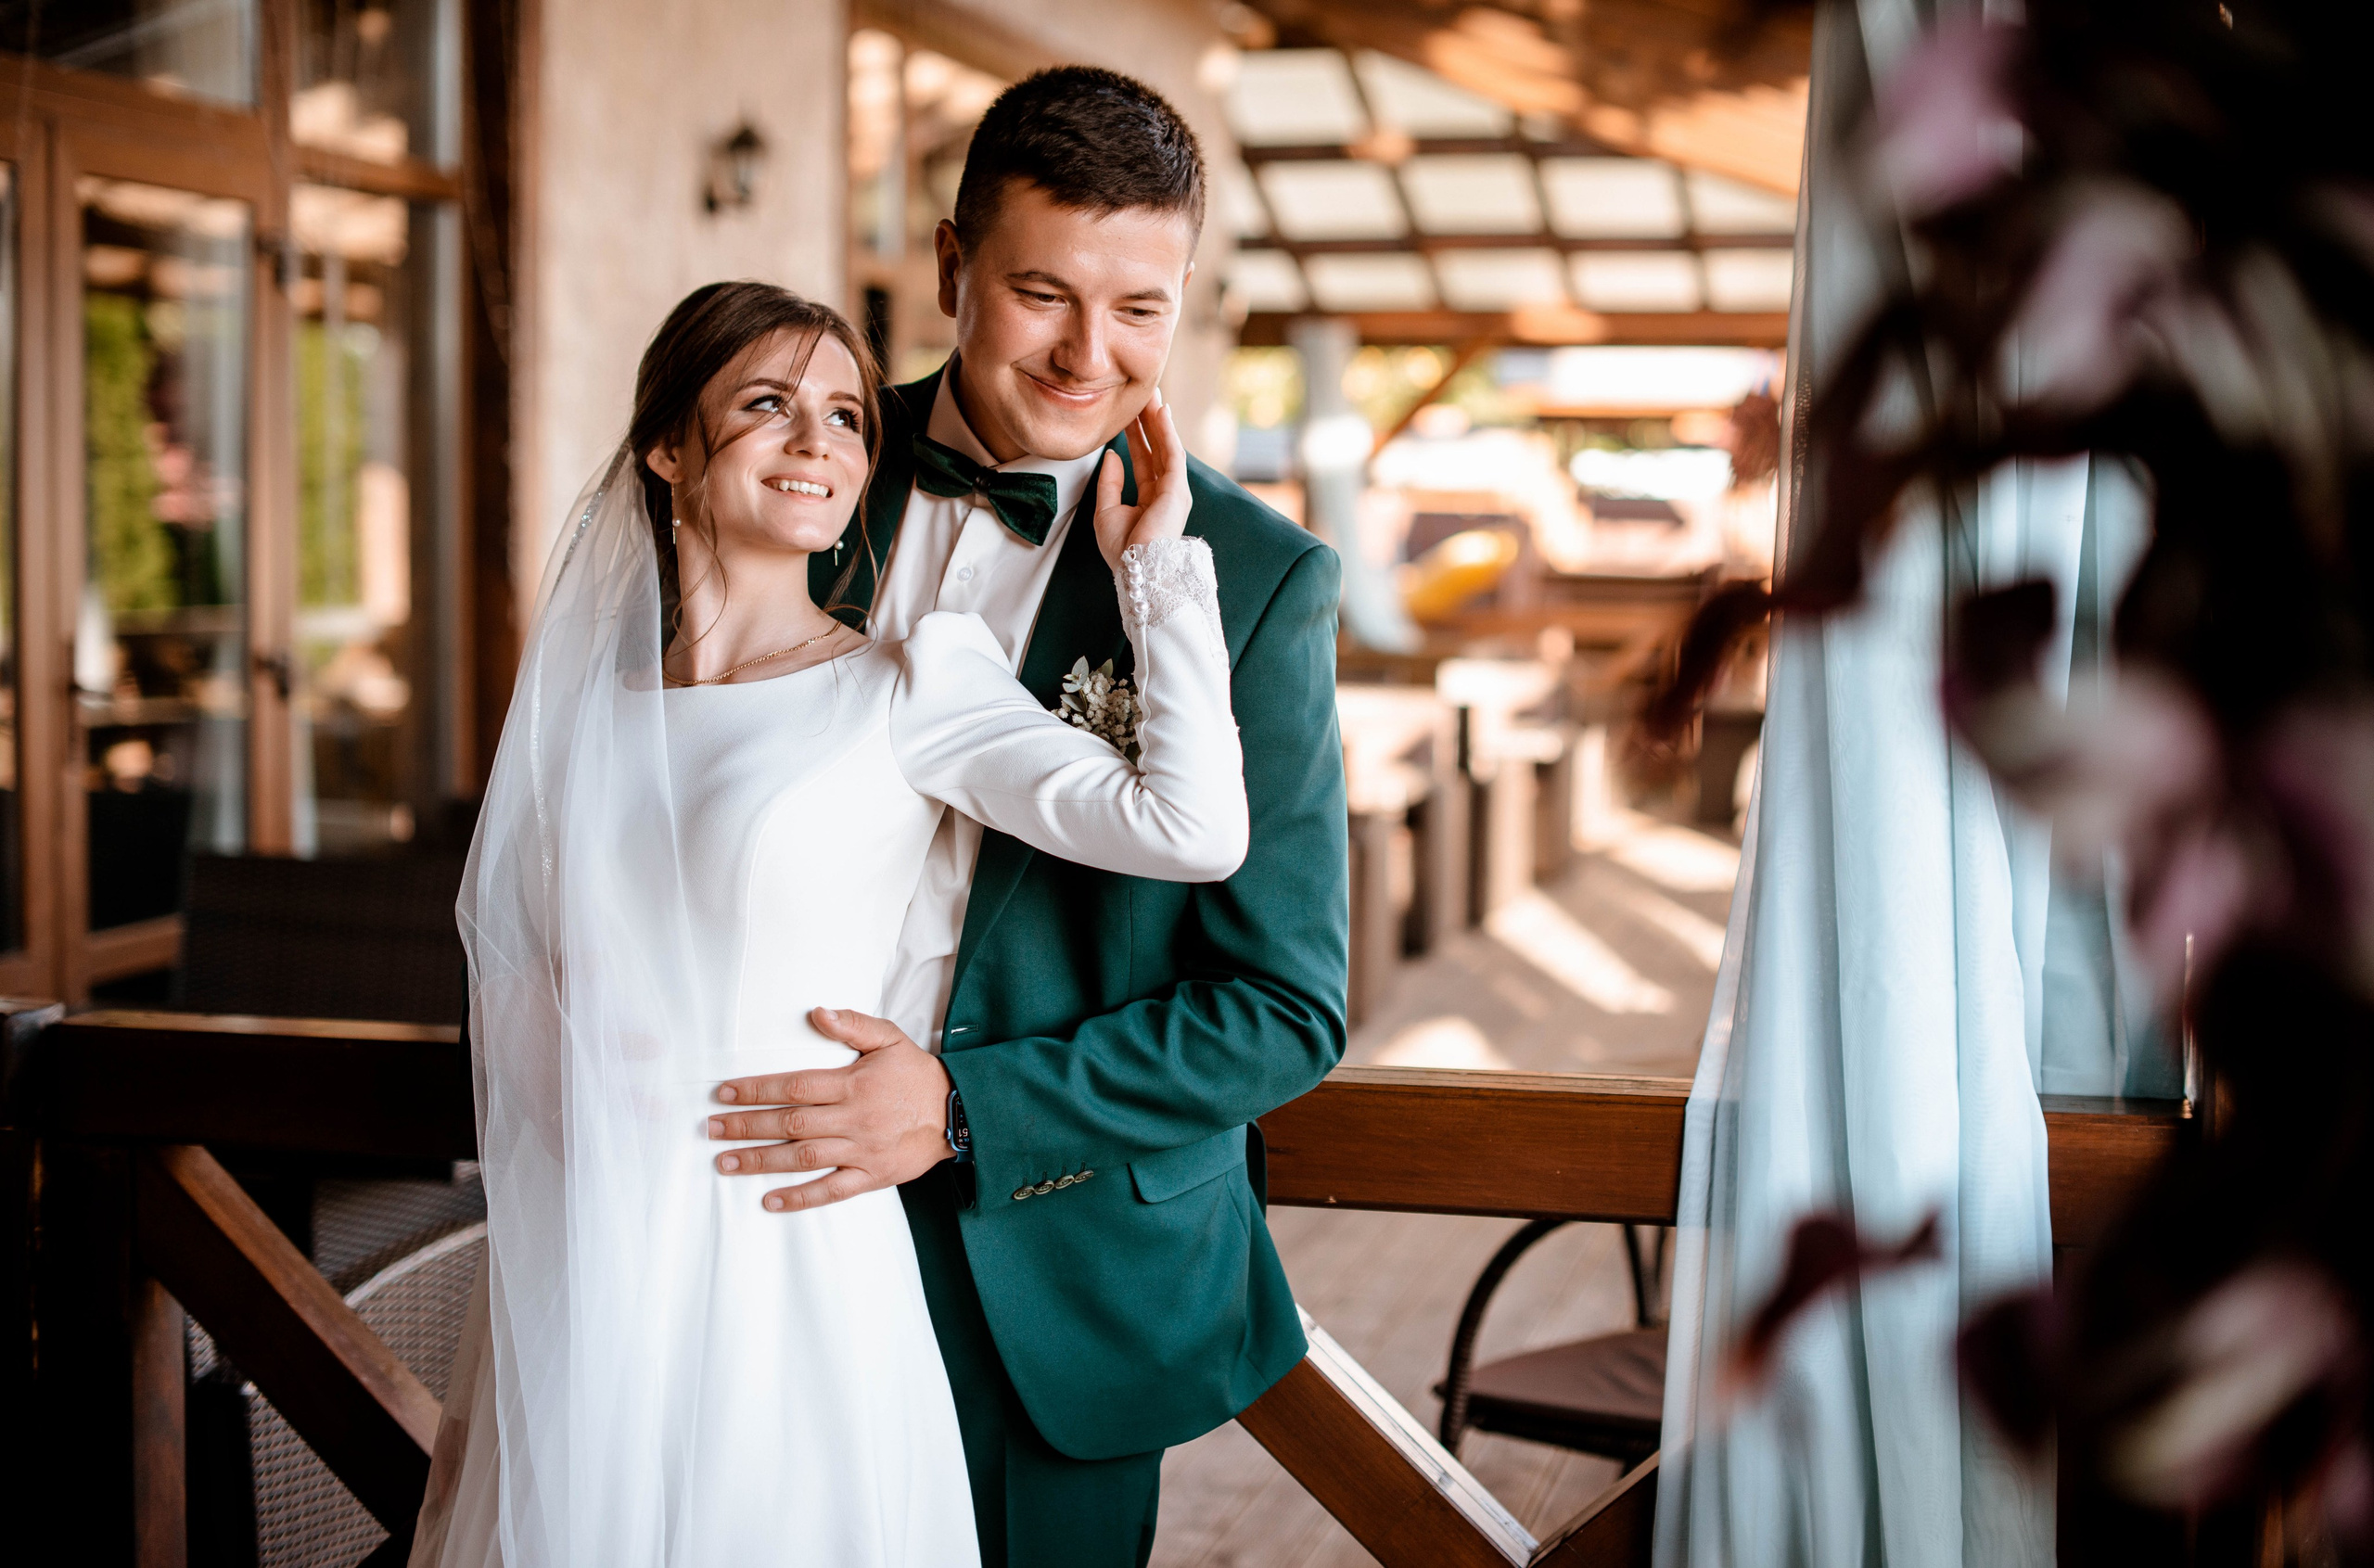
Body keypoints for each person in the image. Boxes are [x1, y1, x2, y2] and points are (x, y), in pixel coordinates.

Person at [411, 280, 1249, 1567]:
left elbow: (1191, 830)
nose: (818, 442)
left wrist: (1158, 572)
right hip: (597, 1252)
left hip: (791, 1246)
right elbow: (522, 969)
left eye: (850, 416)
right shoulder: (586, 718)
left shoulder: (912, 680)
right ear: (667, 447)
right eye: (768, 406)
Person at [699, 67, 1350, 1567]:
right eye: (1041, 294)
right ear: (949, 268)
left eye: (1141, 308)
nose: (1088, 355)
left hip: (1052, 1272)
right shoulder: (794, 476)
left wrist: (961, 1108)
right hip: (749, 1209)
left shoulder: (1252, 586)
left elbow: (1282, 1008)